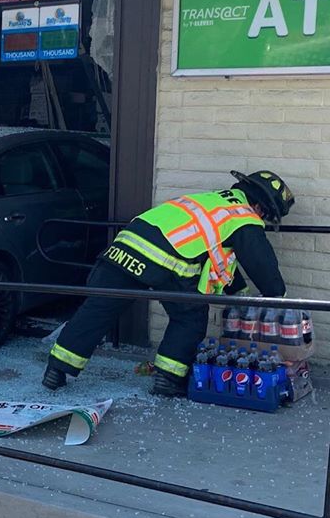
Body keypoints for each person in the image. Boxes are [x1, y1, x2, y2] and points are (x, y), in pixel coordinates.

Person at [43, 170, 294, 397]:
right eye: (267, 215)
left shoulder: (211, 201)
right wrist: (277, 296)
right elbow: (262, 263)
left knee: (98, 309)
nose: (263, 219)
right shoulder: (244, 217)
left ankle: (57, 369)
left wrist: (238, 292)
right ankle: (168, 378)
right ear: (261, 206)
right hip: (164, 261)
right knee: (190, 316)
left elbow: (218, 256)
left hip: (126, 246)